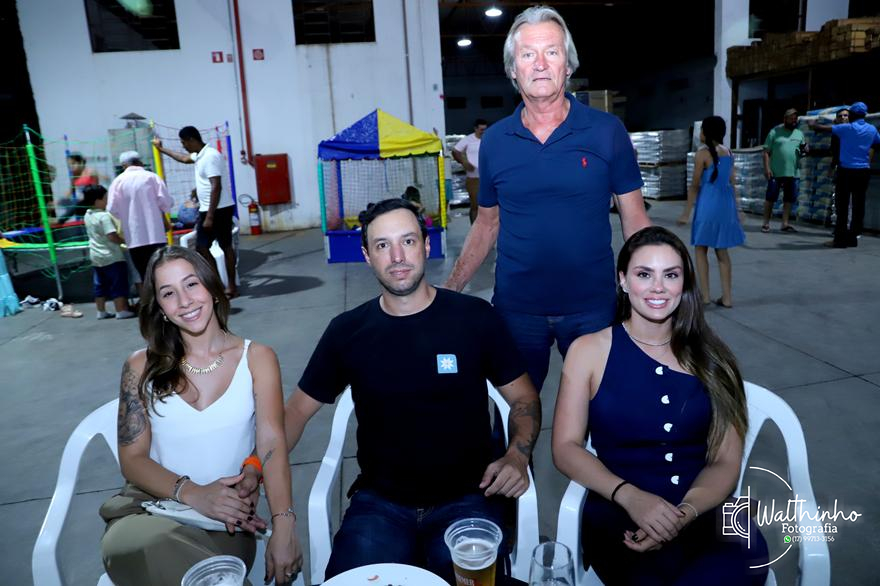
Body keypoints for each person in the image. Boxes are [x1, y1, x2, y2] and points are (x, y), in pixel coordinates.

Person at [283, 199, 540, 582]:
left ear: (426, 244)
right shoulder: (347, 332)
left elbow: (523, 397)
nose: (397, 256)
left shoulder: (474, 318)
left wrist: (517, 456)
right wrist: (255, 469)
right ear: (367, 256)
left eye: (407, 241)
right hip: (379, 505)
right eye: (383, 245)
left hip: (468, 498)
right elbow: (296, 411)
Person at [444, 5, 650, 395]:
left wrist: (654, 284)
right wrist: (450, 288)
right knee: (514, 416)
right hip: (516, 309)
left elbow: (635, 220)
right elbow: (486, 223)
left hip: (593, 307)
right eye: (528, 54)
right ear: (512, 70)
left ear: (567, 65)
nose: (540, 64)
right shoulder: (496, 142)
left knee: (605, 413)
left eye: (551, 52)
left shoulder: (606, 131)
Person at [552, 226, 768, 585]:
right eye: (644, 274)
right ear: (623, 280)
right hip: (619, 511)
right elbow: (565, 447)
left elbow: (726, 460)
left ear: (684, 283)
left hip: (706, 509)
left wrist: (686, 512)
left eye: (670, 275)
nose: (658, 287)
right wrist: (629, 496)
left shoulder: (714, 357)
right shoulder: (588, 351)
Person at [100, 246, 302, 585]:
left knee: (208, 571)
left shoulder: (257, 358)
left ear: (211, 286)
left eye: (191, 284)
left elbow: (272, 443)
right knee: (158, 546)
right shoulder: (140, 366)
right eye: (169, 293)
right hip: (148, 511)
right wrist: (193, 493)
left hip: (226, 522)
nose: (184, 301)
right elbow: (132, 460)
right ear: (160, 308)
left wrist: (284, 523)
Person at [153, 127, 238, 297]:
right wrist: (161, 149)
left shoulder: (210, 156)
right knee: (201, 247)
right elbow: (183, 158)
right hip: (207, 209)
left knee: (225, 246)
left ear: (192, 139)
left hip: (219, 209)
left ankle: (231, 286)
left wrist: (210, 216)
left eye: (184, 143)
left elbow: (216, 186)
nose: (183, 146)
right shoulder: (199, 156)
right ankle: (218, 284)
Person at [677, 116, 745, 308]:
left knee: (701, 248)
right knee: (722, 251)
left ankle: (705, 296)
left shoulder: (702, 154)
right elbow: (733, 182)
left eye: (701, 130)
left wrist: (686, 212)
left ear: (706, 133)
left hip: (708, 204)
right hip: (725, 206)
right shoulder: (728, 152)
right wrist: (738, 209)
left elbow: (694, 186)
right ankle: (727, 298)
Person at [810, 101, 880, 248]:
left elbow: (820, 128)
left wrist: (813, 124)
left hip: (846, 171)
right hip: (863, 172)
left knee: (842, 207)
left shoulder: (846, 128)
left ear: (852, 114)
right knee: (858, 205)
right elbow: (877, 143)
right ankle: (853, 238)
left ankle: (839, 240)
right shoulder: (872, 129)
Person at [107, 151, 174, 297]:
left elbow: (112, 208)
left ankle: (152, 304)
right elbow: (166, 202)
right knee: (160, 272)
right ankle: (166, 301)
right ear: (139, 162)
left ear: (124, 165)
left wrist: (127, 216)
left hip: (134, 238)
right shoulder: (152, 177)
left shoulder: (118, 181)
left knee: (144, 274)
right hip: (156, 234)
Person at [82, 185, 136, 320]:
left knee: (100, 285)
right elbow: (111, 236)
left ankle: (101, 311)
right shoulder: (104, 217)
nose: (107, 201)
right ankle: (121, 310)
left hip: (96, 256)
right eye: (105, 198)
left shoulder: (88, 214)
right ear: (97, 200)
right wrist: (125, 240)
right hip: (112, 256)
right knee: (118, 283)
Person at [761, 108, 806, 233]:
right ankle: (766, 223)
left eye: (795, 119)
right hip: (775, 172)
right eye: (791, 119)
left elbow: (803, 149)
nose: (794, 121)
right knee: (770, 198)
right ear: (785, 119)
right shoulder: (774, 132)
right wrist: (767, 168)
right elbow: (766, 152)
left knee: (789, 199)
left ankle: (785, 224)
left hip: (793, 172)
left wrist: (805, 150)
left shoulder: (799, 134)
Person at [452, 118, 489, 223]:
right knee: (475, 205)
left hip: (487, 177)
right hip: (473, 178)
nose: (483, 132)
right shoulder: (468, 139)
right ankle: (474, 226)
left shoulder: (488, 138)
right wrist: (464, 163)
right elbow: (455, 151)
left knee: (488, 205)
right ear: (475, 129)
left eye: (485, 129)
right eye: (481, 130)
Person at [56, 152, 100, 223]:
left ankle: (60, 220)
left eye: (73, 164)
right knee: (62, 201)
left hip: (90, 201)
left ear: (81, 162)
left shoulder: (91, 172)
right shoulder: (74, 176)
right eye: (69, 165)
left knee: (76, 204)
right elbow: (71, 191)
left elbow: (97, 190)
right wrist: (59, 201)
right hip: (79, 202)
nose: (71, 167)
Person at [826, 108, 850, 227]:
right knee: (838, 198)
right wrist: (832, 167)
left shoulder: (853, 131)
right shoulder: (836, 133)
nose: (843, 118)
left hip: (853, 167)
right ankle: (839, 225)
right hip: (841, 167)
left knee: (851, 199)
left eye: (845, 115)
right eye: (840, 116)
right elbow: (835, 152)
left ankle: (849, 226)